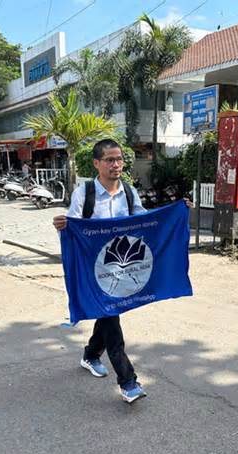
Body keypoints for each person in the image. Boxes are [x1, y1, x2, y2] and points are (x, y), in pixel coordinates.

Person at [53, 139, 148, 404]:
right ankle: (128, 382)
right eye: (109, 159)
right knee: (111, 320)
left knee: (106, 315)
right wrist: (61, 224)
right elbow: (73, 226)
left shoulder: (129, 193)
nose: (116, 164)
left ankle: (90, 355)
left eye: (119, 159)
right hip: (93, 271)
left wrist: (174, 213)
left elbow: (145, 221)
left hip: (120, 268)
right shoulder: (84, 193)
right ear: (97, 163)